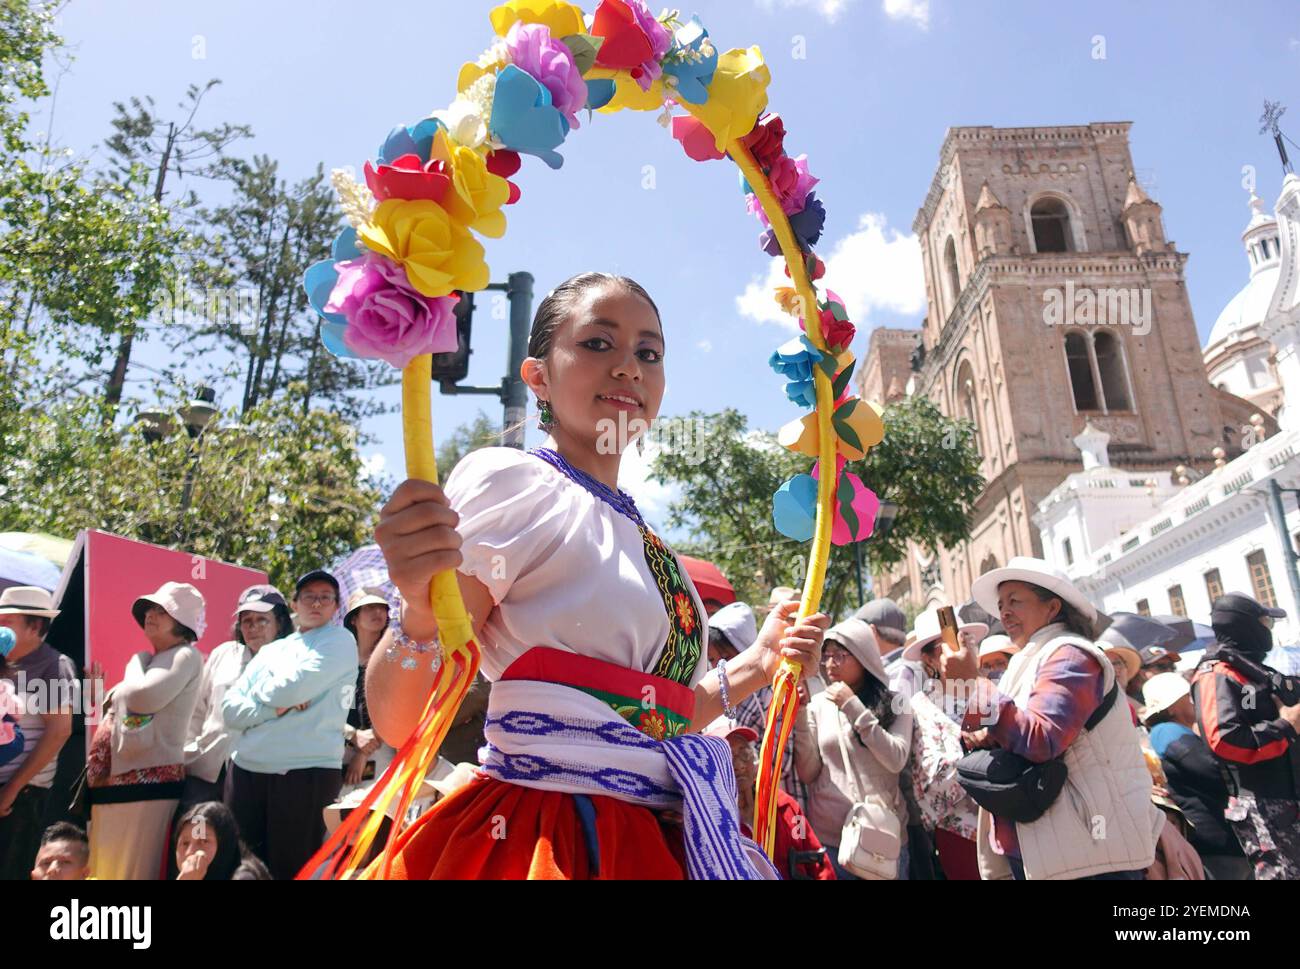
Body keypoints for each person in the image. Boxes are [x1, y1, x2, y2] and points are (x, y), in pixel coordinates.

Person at [363, 272, 828, 879]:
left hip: (653, 836)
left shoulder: (650, 542)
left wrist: (757, 664)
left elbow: (656, 719)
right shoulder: (516, 482)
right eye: (598, 344)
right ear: (539, 376)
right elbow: (404, 722)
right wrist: (421, 610)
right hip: (543, 836)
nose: (629, 368)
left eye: (649, 353)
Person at [950, 556, 1166, 880]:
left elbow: (1041, 739)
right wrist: (981, 735)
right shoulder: (1031, 659)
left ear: (1052, 608)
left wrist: (972, 684)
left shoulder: (1070, 655)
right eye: (1001, 604)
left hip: (1089, 850)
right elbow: (1009, 729)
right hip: (1054, 847)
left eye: (1015, 601)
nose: (1004, 612)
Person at [221, 569, 357, 880]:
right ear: (294, 603)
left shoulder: (340, 640)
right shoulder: (272, 650)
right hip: (245, 771)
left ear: (337, 606)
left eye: (326, 597)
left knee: (294, 871)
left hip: (305, 773)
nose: (317, 603)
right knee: (242, 870)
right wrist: (275, 710)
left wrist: (268, 691)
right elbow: (230, 710)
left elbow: (288, 690)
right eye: (309, 596)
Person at [87, 582, 205, 880]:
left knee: (134, 868)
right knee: (106, 866)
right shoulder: (152, 661)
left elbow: (142, 698)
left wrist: (134, 662)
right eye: (150, 609)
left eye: (161, 610)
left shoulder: (185, 656)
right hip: (114, 784)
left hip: (148, 783)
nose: (151, 615)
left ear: (182, 622)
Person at [1192, 593, 1300, 880]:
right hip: (1265, 805)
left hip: (1289, 799)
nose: (1269, 631)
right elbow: (1224, 740)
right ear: (1247, 626)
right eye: (1266, 623)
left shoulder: (1253, 672)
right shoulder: (1217, 673)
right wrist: (1286, 727)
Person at [795, 618, 910, 879]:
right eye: (826, 656)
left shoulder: (897, 703)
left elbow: (896, 759)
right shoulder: (818, 705)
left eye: (840, 655)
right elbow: (808, 772)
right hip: (834, 840)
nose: (830, 663)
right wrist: (801, 715)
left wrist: (853, 707)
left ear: (864, 656)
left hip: (884, 838)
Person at [182, 585, 293, 811]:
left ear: (280, 623)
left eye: (262, 620)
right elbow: (196, 709)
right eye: (246, 620)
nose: (253, 628)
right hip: (207, 769)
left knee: (245, 841)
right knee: (198, 835)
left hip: (261, 774)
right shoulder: (223, 654)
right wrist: (188, 750)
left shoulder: (293, 661)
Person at [0, 586, 75, 881]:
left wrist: (11, 791)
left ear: (35, 626)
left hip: (21, 797)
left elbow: (59, 732)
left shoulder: (54, 666)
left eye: (7, 622)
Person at [1142, 672, 1249, 880]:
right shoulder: (1167, 732)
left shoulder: (1176, 732)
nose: (1194, 700)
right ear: (1170, 707)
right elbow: (1212, 770)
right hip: (1214, 843)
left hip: (1221, 842)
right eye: (1186, 696)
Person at [703, 716, 834, 880]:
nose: (738, 765)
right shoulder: (710, 824)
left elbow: (816, 861)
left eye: (744, 753)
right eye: (726, 758)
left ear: (754, 759)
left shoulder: (784, 806)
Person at [710, 601, 810, 811]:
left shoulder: (770, 696)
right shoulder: (713, 695)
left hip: (769, 807)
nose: (719, 665)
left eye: (726, 657)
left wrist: (742, 767)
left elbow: (780, 763)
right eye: (712, 658)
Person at [341, 587, 394, 798]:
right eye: (370, 607)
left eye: (383, 607)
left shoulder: (395, 657)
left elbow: (397, 707)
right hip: (343, 751)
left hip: (385, 751)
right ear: (354, 618)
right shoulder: (342, 662)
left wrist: (364, 751)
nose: (378, 613)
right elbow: (338, 710)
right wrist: (354, 737)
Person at [893, 607, 988, 701]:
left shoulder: (993, 688)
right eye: (954, 643)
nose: (965, 650)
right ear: (929, 660)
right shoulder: (925, 708)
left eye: (967, 639)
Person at [174, 801, 271, 880]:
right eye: (185, 843)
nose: (190, 852)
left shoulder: (244, 877)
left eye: (203, 841)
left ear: (224, 845)